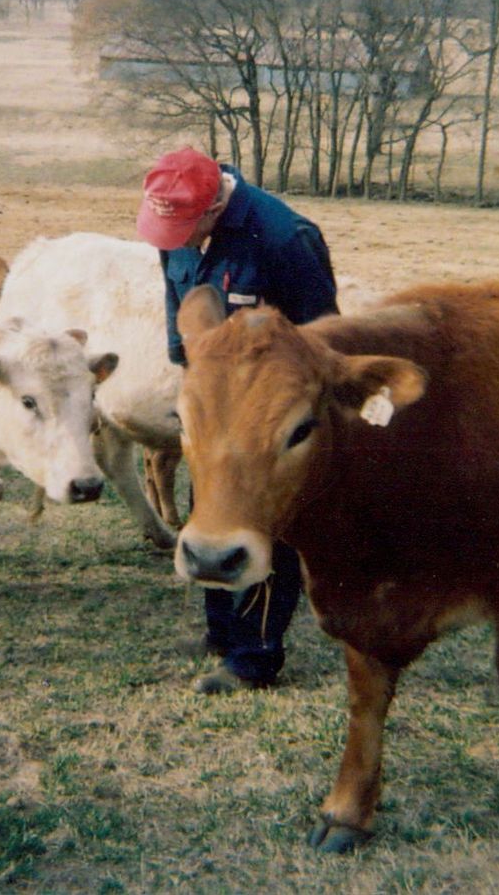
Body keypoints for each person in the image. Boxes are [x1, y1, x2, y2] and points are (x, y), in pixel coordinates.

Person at [136, 146, 338, 695]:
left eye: (183, 229)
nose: (174, 241)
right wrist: (189, 373)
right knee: (209, 509)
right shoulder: (176, 233)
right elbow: (178, 304)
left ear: (213, 208)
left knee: (267, 522)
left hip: (265, 420)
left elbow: (322, 336)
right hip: (216, 406)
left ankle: (254, 657)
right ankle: (221, 634)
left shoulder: (285, 238)